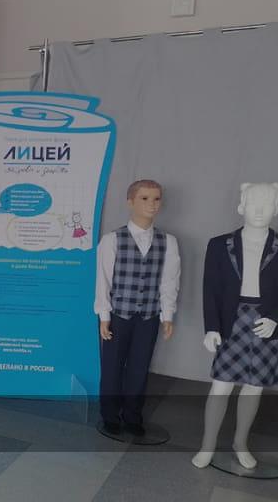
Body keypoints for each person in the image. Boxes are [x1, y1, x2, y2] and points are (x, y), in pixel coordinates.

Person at [192, 183, 278, 469]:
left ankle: (240, 443)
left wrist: (276, 318)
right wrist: (211, 327)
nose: (259, 210)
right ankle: (207, 445)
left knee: (254, 386)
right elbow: (211, 288)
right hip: (232, 320)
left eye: (266, 205)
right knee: (221, 384)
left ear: (276, 209)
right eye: (254, 203)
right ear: (241, 206)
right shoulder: (219, 244)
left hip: (267, 321)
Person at [94, 179, 180, 436]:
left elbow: (169, 281)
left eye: (156, 199)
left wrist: (167, 314)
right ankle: (110, 414)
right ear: (130, 202)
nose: (152, 204)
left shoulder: (168, 241)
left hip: (149, 316)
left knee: (139, 367)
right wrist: (104, 315)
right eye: (144, 198)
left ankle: (133, 415)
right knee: (112, 367)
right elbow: (103, 280)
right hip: (118, 314)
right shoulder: (112, 239)